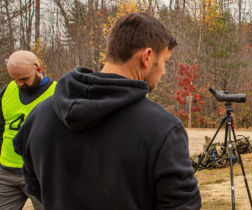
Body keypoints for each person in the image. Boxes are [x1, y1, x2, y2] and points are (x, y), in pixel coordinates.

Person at [12, 13, 201, 209]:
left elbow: (35, 188)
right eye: (165, 62)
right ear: (147, 57)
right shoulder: (163, 129)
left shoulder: (38, 117)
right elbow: (182, 205)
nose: (163, 72)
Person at [1, 50, 54, 210]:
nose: (19, 84)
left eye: (24, 79)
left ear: (38, 69)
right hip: (6, 172)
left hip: (40, 173)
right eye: (15, 79)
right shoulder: (7, 91)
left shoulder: (58, 93)